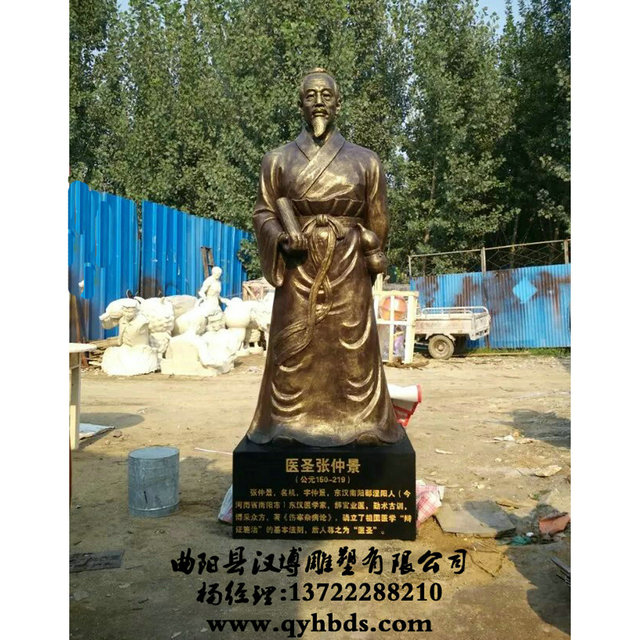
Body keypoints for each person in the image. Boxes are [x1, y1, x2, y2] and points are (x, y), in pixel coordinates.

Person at [246, 68, 404, 447]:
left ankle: (361, 423)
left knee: (352, 348)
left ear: (338, 104)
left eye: (326, 95)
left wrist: (366, 259)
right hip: (298, 266)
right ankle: (287, 423)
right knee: (294, 348)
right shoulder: (277, 160)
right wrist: (282, 238)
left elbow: (378, 218)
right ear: (300, 103)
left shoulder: (366, 160)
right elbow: (264, 212)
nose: (319, 102)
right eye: (311, 95)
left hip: (348, 264)